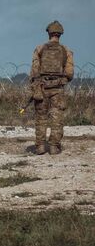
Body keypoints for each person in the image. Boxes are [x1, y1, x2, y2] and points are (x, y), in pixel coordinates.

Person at [30, 21, 74, 155]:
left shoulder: (40, 49)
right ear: (60, 34)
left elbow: (34, 71)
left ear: (49, 33)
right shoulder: (66, 50)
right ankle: (54, 146)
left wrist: (35, 86)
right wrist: (62, 81)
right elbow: (70, 73)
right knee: (57, 118)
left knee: (41, 118)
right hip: (58, 89)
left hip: (42, 87)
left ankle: (40, 147)